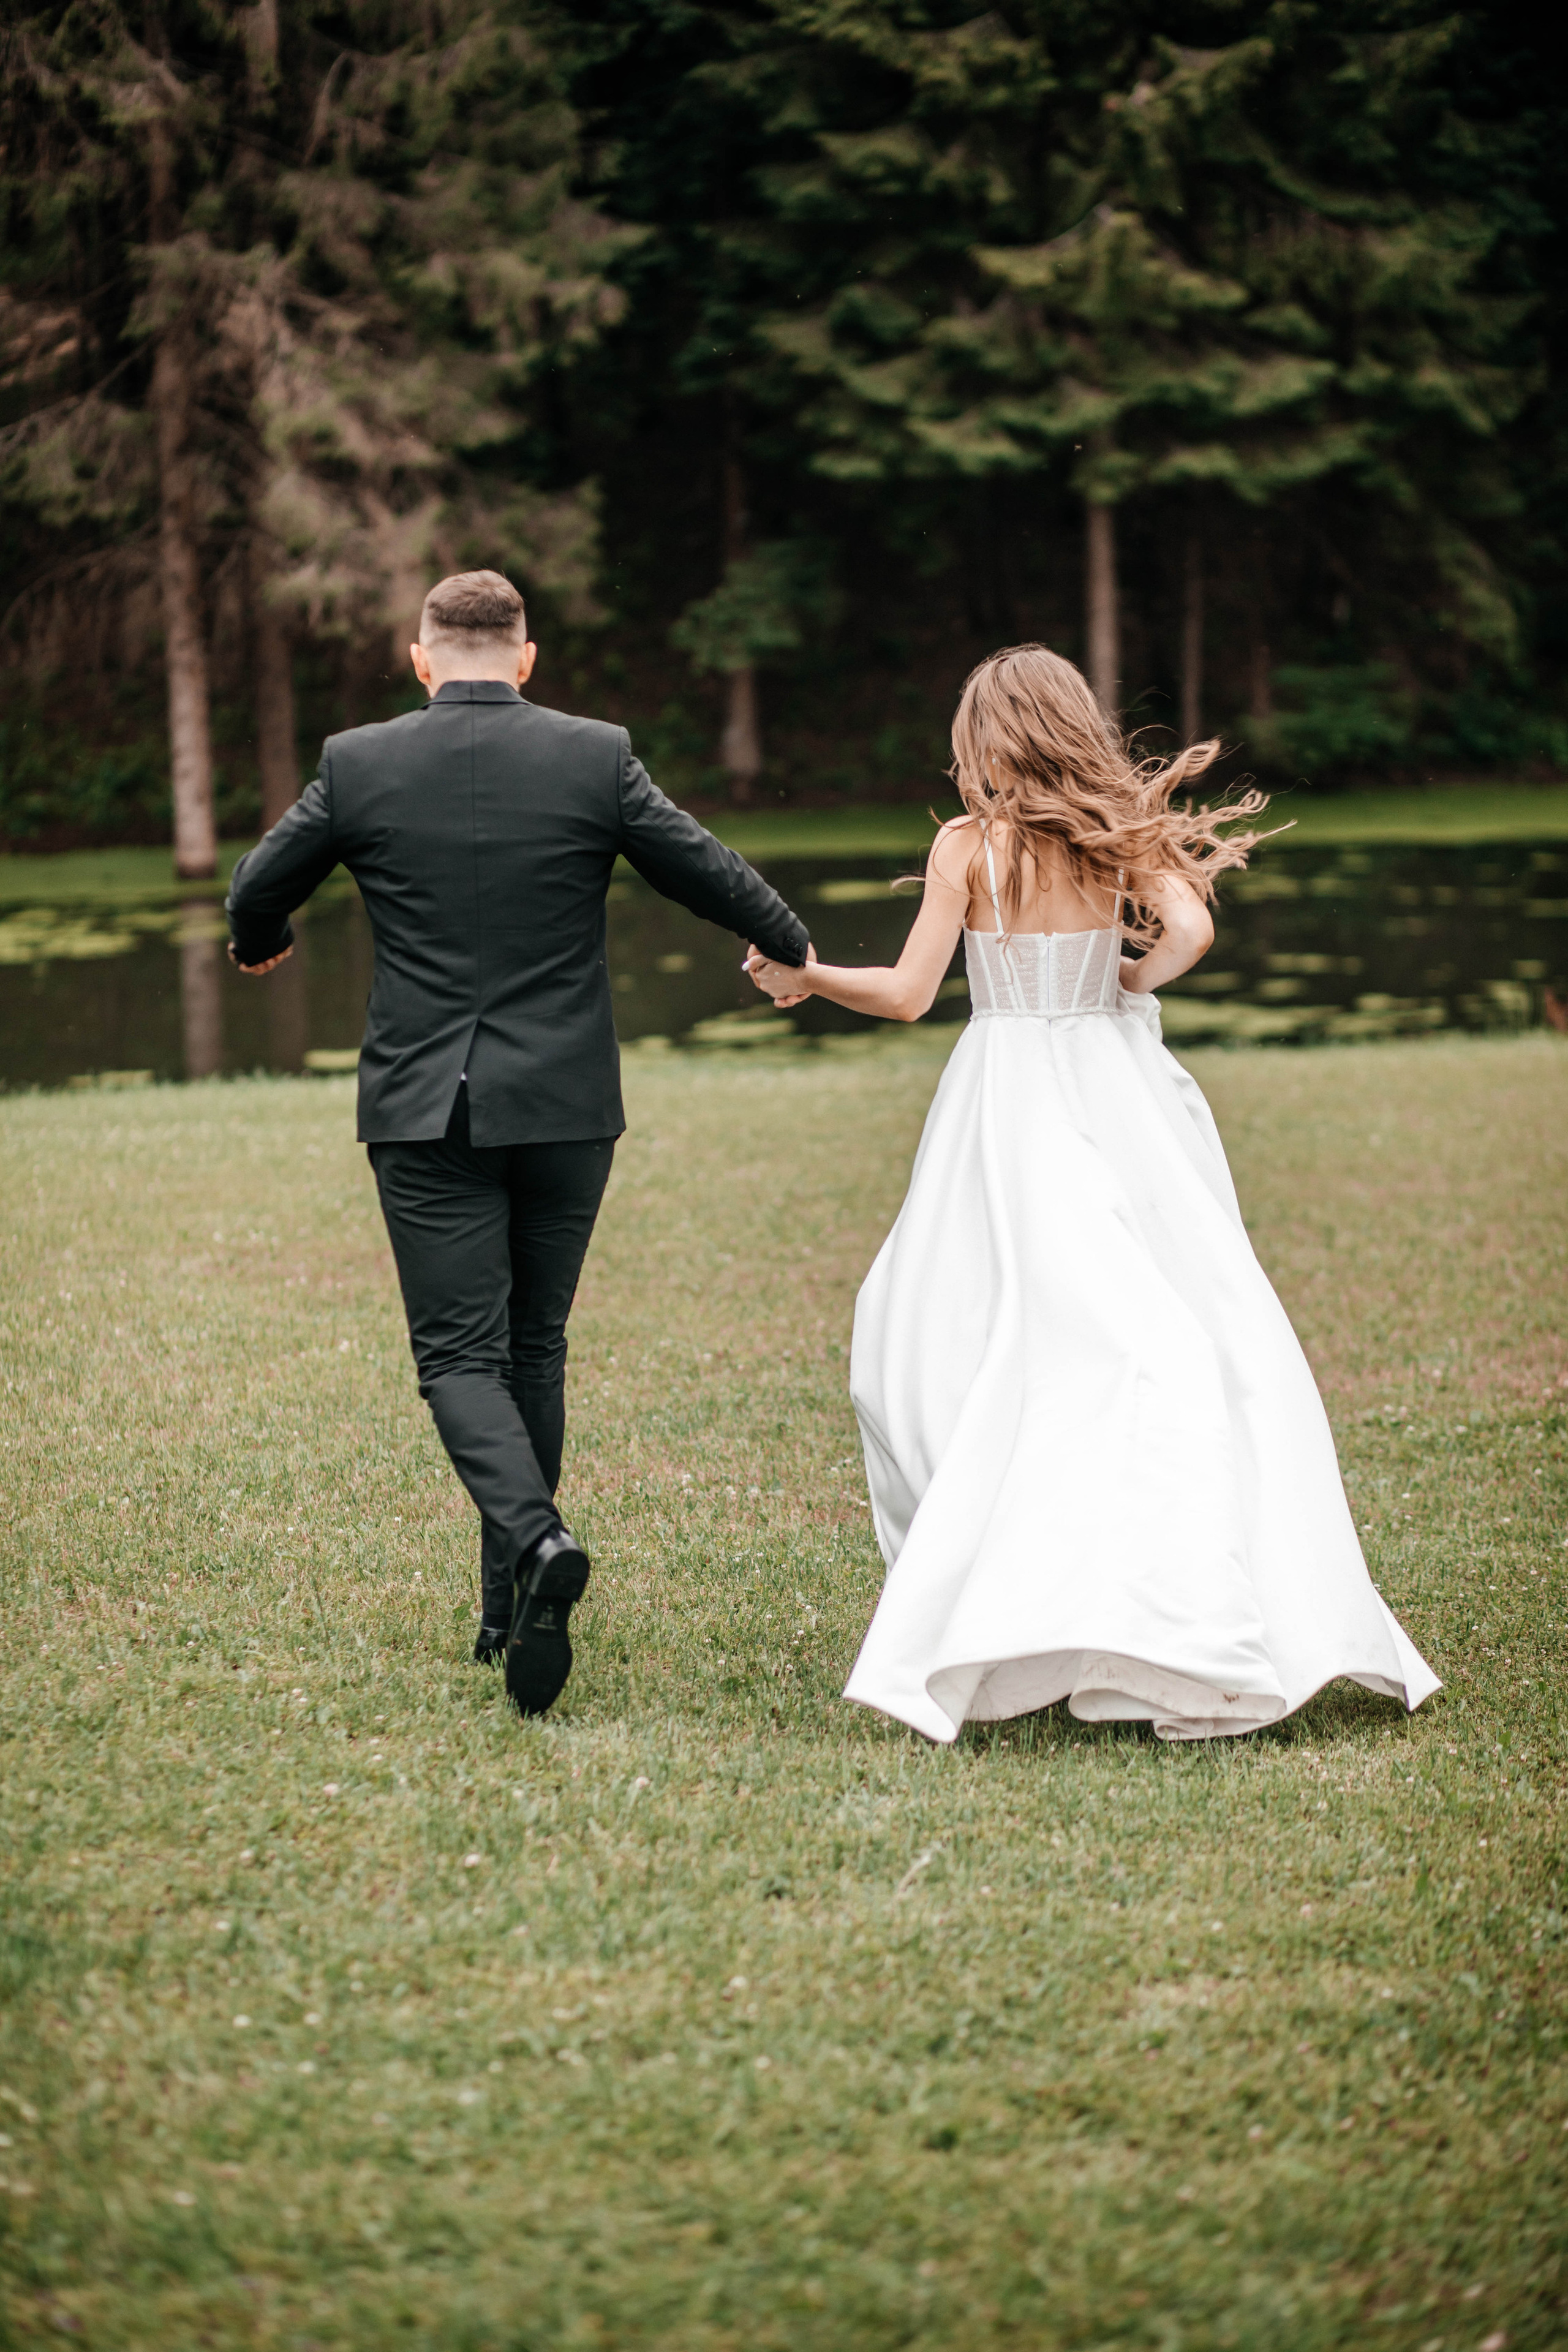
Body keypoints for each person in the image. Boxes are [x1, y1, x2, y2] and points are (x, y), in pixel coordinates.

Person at [745, 644, 1438, 1742]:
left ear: (986, 740)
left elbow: (912, 993)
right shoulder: (1114, 834)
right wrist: (1126, 979)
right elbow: (1198, 929)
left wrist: (807, 974)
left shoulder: (968, 847)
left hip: (1012, 1095)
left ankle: (1029, 1585)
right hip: (1122, 1086)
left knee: (959, 1329)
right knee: (1167, 1311)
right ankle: (1149, 1600)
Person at [228, 570, 810, 1719]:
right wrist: (784, 940)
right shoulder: (595, 756)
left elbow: (256, 886)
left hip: (425, 1109)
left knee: (459, 1360)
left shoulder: (361, 762)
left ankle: (538, 1546)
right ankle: (507, 1612)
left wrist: (264, 939)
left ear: (422, 658)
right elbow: (703, 866)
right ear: (527, 658)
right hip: (566, 1107)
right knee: (533, 1347)